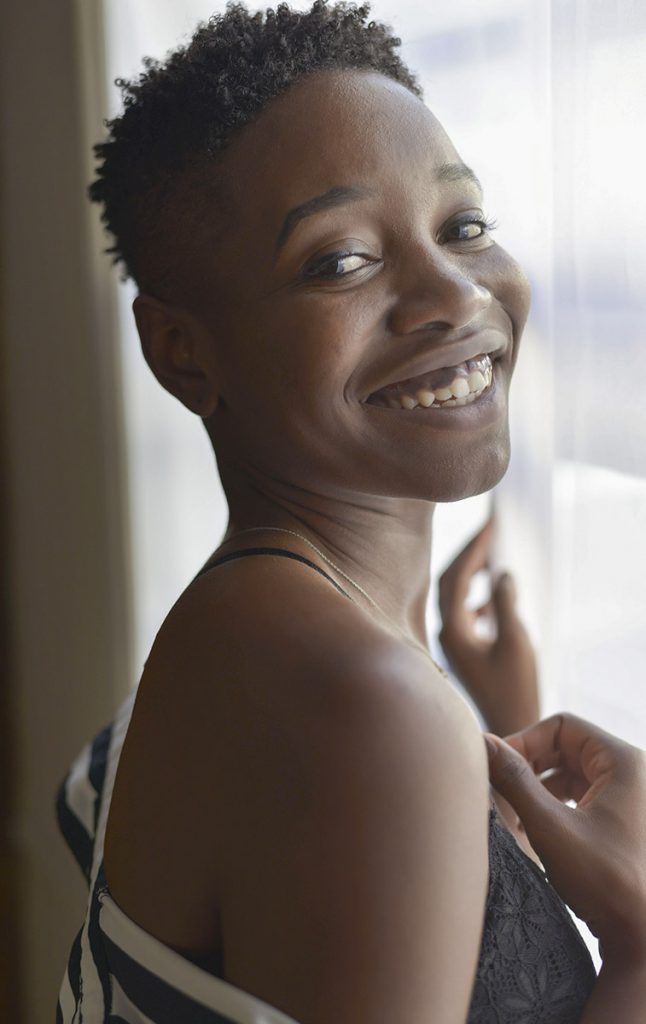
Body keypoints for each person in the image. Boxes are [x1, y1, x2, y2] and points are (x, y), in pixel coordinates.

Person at [56, 3, 646, 1022]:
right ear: (180, 349)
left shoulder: (258, 636)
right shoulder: (356, 699)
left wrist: (490, 729)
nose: (454, 293)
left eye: (462, 226)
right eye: (339, 261)